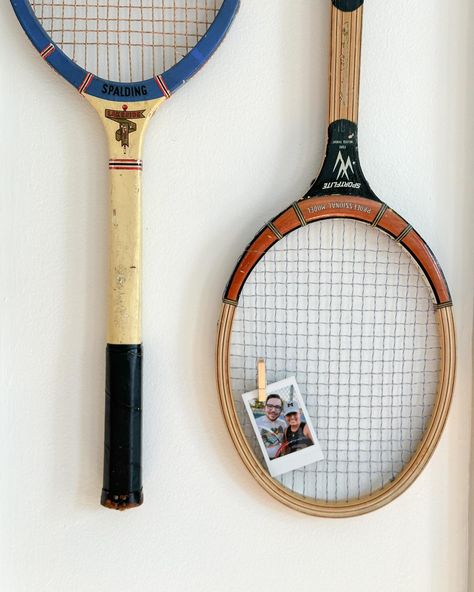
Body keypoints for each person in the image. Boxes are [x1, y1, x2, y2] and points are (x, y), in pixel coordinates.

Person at [256, 394, 286, 460]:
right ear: (265, 407)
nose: (273, 410)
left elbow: (284, 443)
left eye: (277, 407)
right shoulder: (256, 423)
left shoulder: (283, 424)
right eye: (270, 406)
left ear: (281, 410)